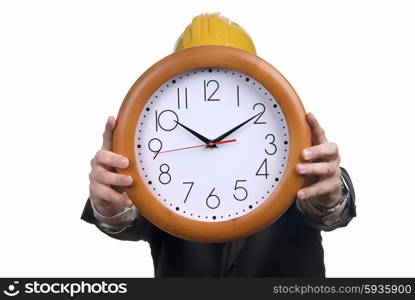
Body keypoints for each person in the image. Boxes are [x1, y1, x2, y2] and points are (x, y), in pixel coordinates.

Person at [81, 13, 356, 277]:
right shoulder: (146, 161)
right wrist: (110, 208)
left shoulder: (300, 153)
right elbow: (128, 221)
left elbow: (331, 209)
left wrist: (331, 199)